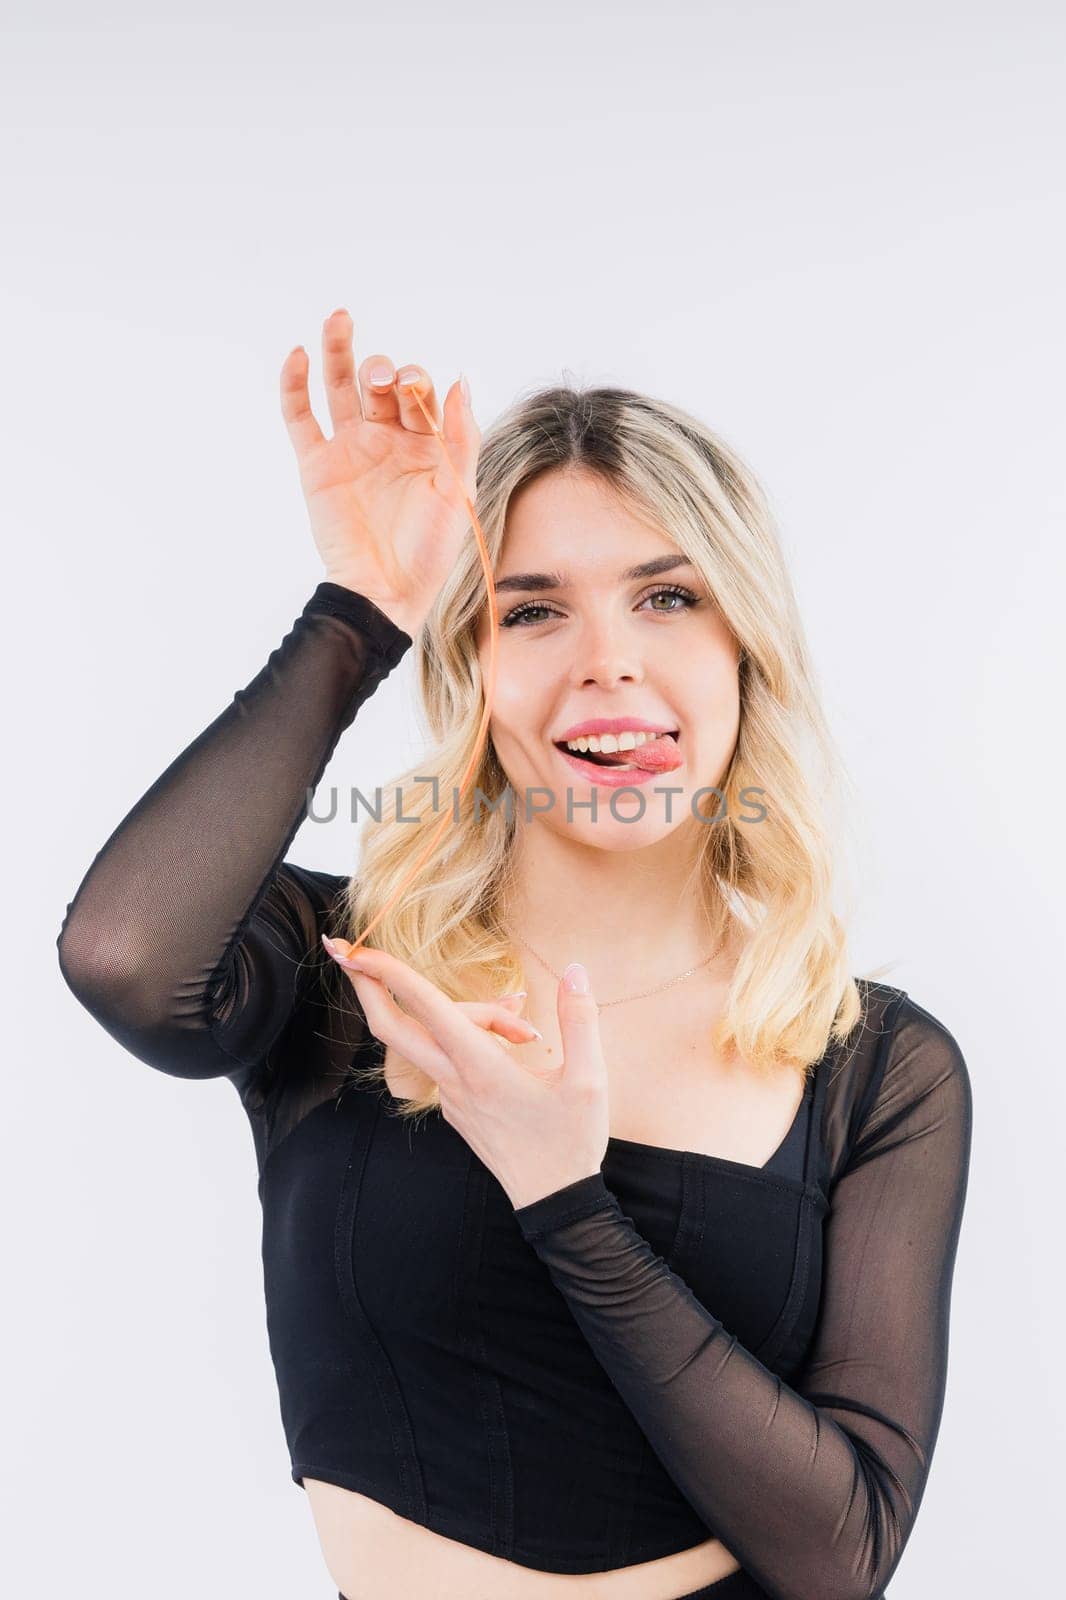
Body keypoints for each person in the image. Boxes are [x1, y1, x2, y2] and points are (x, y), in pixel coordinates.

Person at [56, 307, 973, 1600]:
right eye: (530, 611)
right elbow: (124, 958)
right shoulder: (340, 972)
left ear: (741, 643)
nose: (608, 664)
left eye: (666, 597)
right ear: (471, 664)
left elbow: (841, 1553)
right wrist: (362, 608)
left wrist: (562, 1196)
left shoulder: (873, 1061)